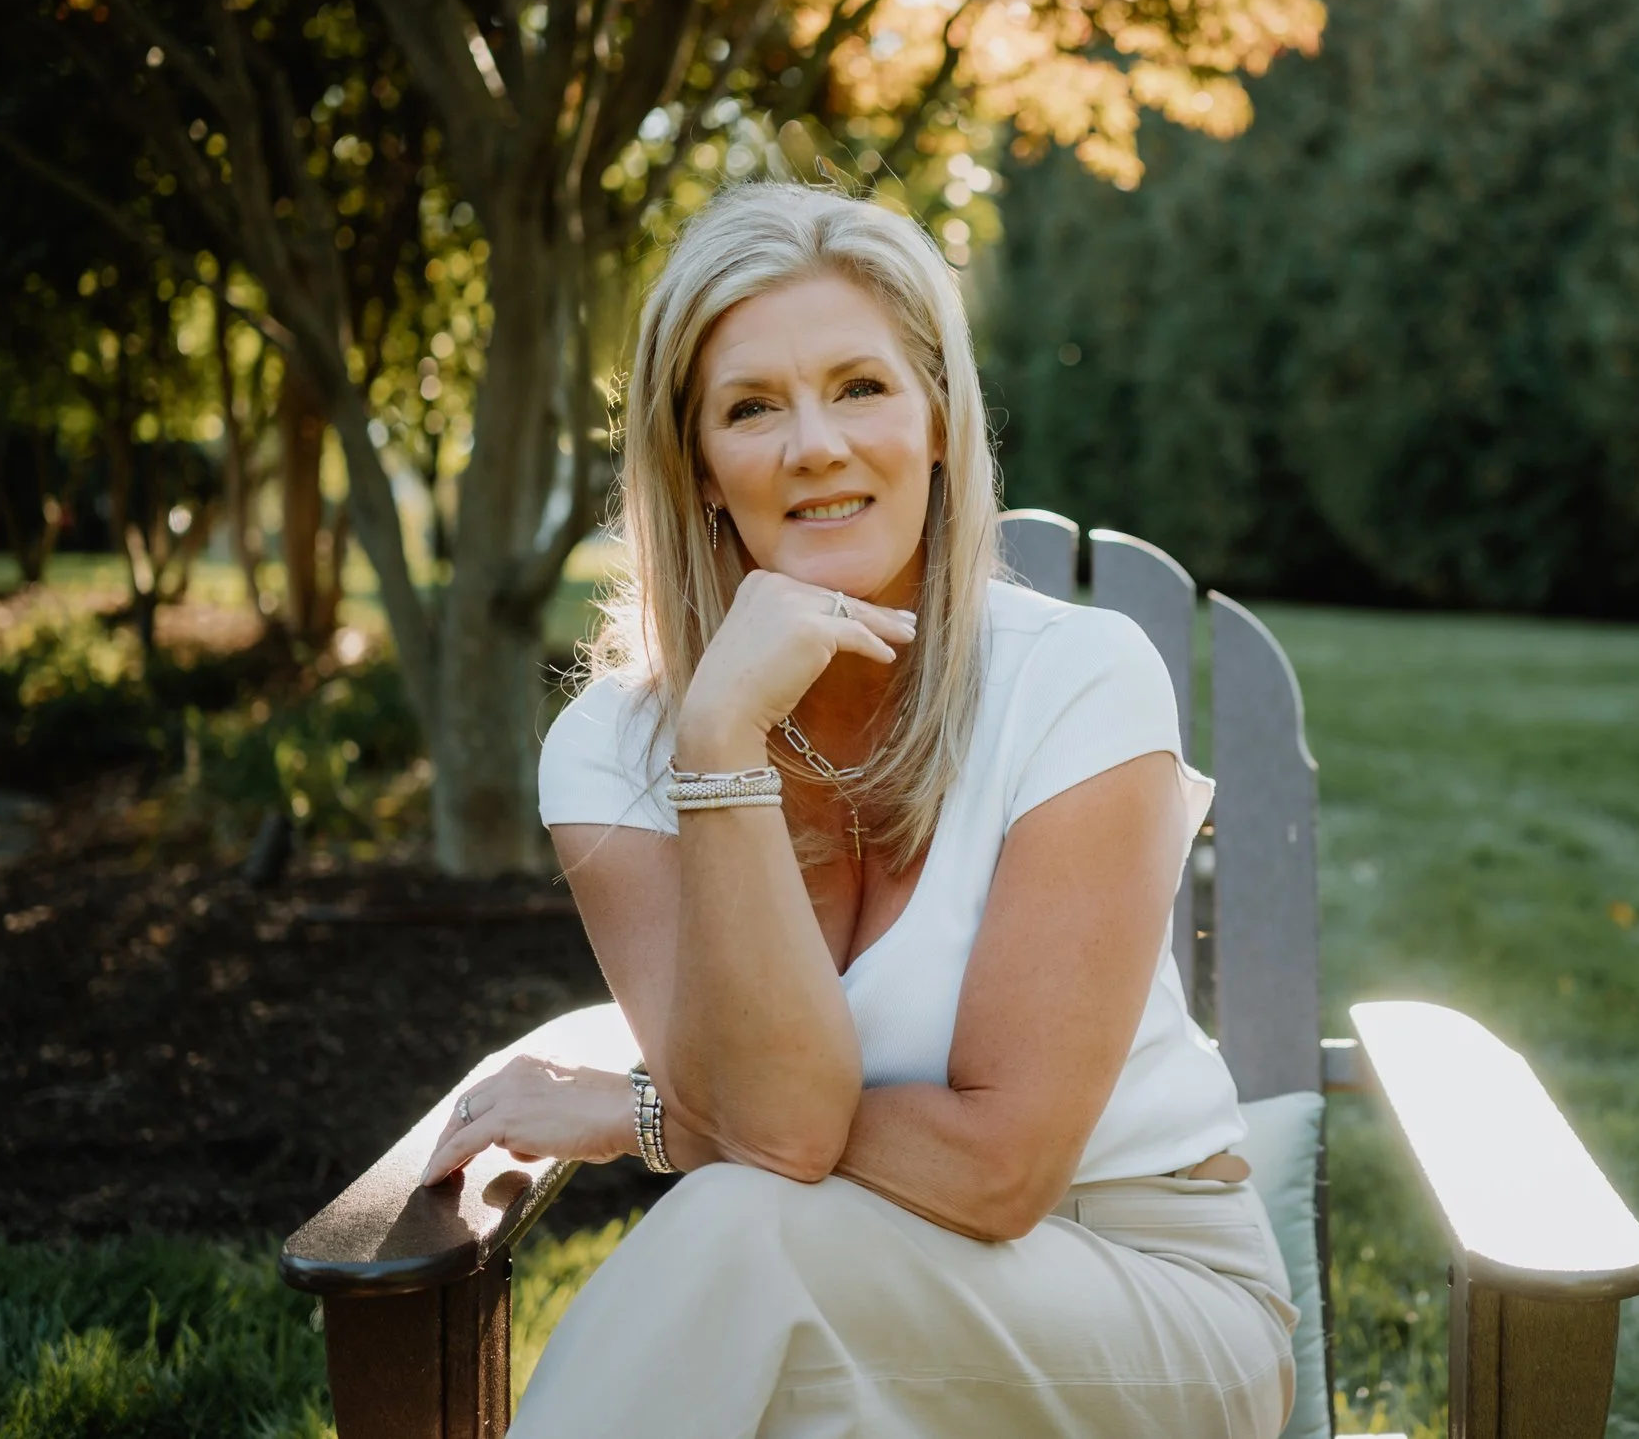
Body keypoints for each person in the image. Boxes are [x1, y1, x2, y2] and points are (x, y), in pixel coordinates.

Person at [414, 182, 1297, 1437]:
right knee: (761, 1256)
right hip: (824, 1274)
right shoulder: (614, 752)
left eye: (861, 386)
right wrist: (721, 740)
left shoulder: (1080, 682)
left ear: (938, 423)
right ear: (700, 466)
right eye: (752, 407)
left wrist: (657, 1114)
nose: (814, 443)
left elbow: (998, 1171)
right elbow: (772, 1133)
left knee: (740, 1228)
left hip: (1146, 1302)